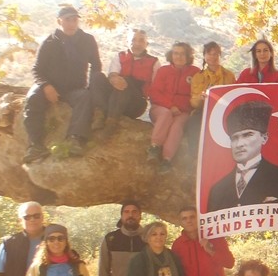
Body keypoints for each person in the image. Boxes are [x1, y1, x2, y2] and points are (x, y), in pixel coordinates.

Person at [22, 4, 104, 163]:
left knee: (85, 97)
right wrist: (46, 86)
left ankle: (75, 139)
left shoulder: (87, 40)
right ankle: (35, 145)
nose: (72, 23)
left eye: (75, 20)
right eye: (68, 20)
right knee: (32, 98)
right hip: (50, 85)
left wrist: (92, 87)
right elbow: (37, 69)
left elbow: (96, 65)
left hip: (75, 88)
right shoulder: (49, 42)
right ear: (59, 21)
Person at [206, 99, 278, 210]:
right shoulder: (217, 189)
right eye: (234, 138)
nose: (239, 144)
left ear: (264, 138)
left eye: (247, 135)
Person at [94, 26, 157, 137]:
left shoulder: (154, 63)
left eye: (141, 41)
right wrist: (113, 78)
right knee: (97, 76)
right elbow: (113, 74)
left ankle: (111, 124)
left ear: (146, 44)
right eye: (133, 40)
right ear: (128, 42)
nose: (137, 44)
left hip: (136, 103)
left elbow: (156, 88)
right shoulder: (120, 57)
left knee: (126, 81)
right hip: (115, 98)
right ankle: (101, 114)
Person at [146, 41, 198, 171]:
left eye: (182, 54)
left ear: (188, 56)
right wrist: (170, 106)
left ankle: (167, 159)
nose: (178, 57)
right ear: (171, 55)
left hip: (183, 112)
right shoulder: (163, 71)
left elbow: (195, 94)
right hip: (160, 109)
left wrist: (182, 108)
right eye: (175, 53)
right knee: (166, 114)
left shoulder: (195, 73)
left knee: (177, 126)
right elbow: (154, 93)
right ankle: (154, 147)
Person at [185, 40, 234, 151]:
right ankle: (194, 155)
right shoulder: (198, 77)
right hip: (203, 111)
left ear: (220, 56)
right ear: (204, 56)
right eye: (209, 54)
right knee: (194, 122)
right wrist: (200, 98)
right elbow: (193, 102)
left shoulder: (229, 75)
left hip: (223, 110)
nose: (212, 57)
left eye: (215, 54)